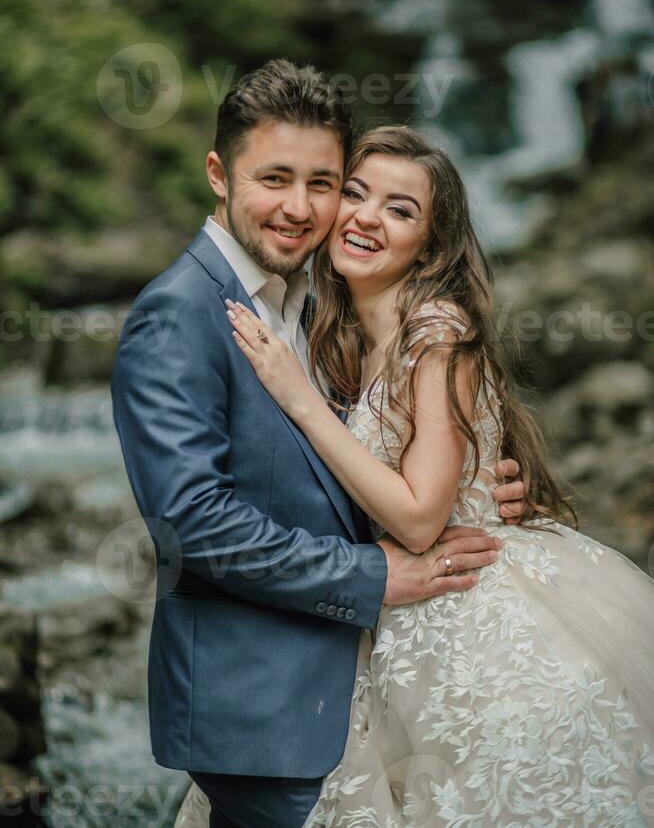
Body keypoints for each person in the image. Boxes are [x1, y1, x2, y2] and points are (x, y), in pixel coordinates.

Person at [111, 61, 525, 828]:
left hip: (368, 698)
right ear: (218, 175)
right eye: (274, 178)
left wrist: (477, 480)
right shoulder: (180, 314)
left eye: (323, 183)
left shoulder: (320, 300)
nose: (299, 209)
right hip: (263, 711)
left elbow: (370, 454)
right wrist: (375, 577)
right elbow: (196, 526)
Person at [216, 125, 654, 825]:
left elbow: (421, 515)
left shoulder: (437, 330)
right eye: (356, 194)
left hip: (469, 612)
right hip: (387, 613)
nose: (365, 216)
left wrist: (296, 397)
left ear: (433, 244)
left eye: (400, 209)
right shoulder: (343, 331)